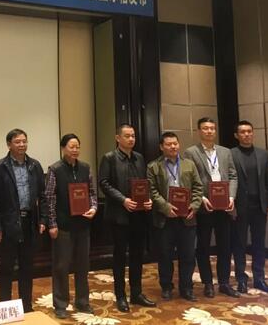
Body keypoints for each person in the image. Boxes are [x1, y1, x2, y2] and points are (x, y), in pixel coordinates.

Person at [98, 124, 156, 311]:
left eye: (133, 136)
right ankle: (121, 295)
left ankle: (136, 293)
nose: (131, 139)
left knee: (138, 255)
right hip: (119, 215)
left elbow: (144, 183)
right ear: (118, 138)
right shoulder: (109, 158)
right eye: (127, 136)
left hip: (139, 215)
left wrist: (147, 199)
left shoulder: (139, 158)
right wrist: (123, 200)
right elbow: (103, 183)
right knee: (120, 257)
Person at [0, 128, 48, 312]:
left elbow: (43, 196)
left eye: (24, 141)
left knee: (27, 268)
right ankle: (5, 307)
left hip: (29, 222)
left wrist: (43, 219)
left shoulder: (35, 165)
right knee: (6, 268)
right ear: (9, 145)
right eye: (17, 142)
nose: (22, 145)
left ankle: (26, 306)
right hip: (8, 224)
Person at [183, 118, 240, 298]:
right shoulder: (191, 152)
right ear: (199, 131)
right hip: (204, 207)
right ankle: (207, 283)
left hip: (224, 206)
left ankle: (224, 282)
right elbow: (189, 179)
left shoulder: (225, 152)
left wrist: (231, 196)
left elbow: (233, 175)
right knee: (203, 247)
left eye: (212, 128)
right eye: (205, 128)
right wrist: (200, 198)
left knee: (225, 246)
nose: (209, 131)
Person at [45, 133, 98, 320]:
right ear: (63, 148)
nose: (75, 150)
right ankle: (60, 304)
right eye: (71, 147)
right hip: (63, 226)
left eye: (77, 147)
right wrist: (52, 223)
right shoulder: (55, 169)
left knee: (83, 265)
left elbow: (92, 193)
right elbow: (49, 198)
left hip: (82, 225)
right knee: (61, 266)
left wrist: (93, 207)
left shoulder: (85, 168)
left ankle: (82, 301)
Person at [147, 132, 203, 301]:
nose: (173, 147)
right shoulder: (153, 166)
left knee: (188, 255)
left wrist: (194, 205)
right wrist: (165, 207)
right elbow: (152, 191)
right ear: (161, 147)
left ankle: (186, 288)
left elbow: (198, 187)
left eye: (175, 144)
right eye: (169, 144)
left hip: (187, 218)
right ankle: (166, 286)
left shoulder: (189, 164)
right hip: (165, 219)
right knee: (165, 255)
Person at [231, 120, 268, 293]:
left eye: (249, 131)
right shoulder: (231, 154)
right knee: (239, 244)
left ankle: (259, 279)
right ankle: (241, 279)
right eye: (242, 132)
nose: (247, 134)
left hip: (260, 206)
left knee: (259, 244)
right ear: (236, 135)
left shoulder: (263, 154)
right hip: (239, 207)